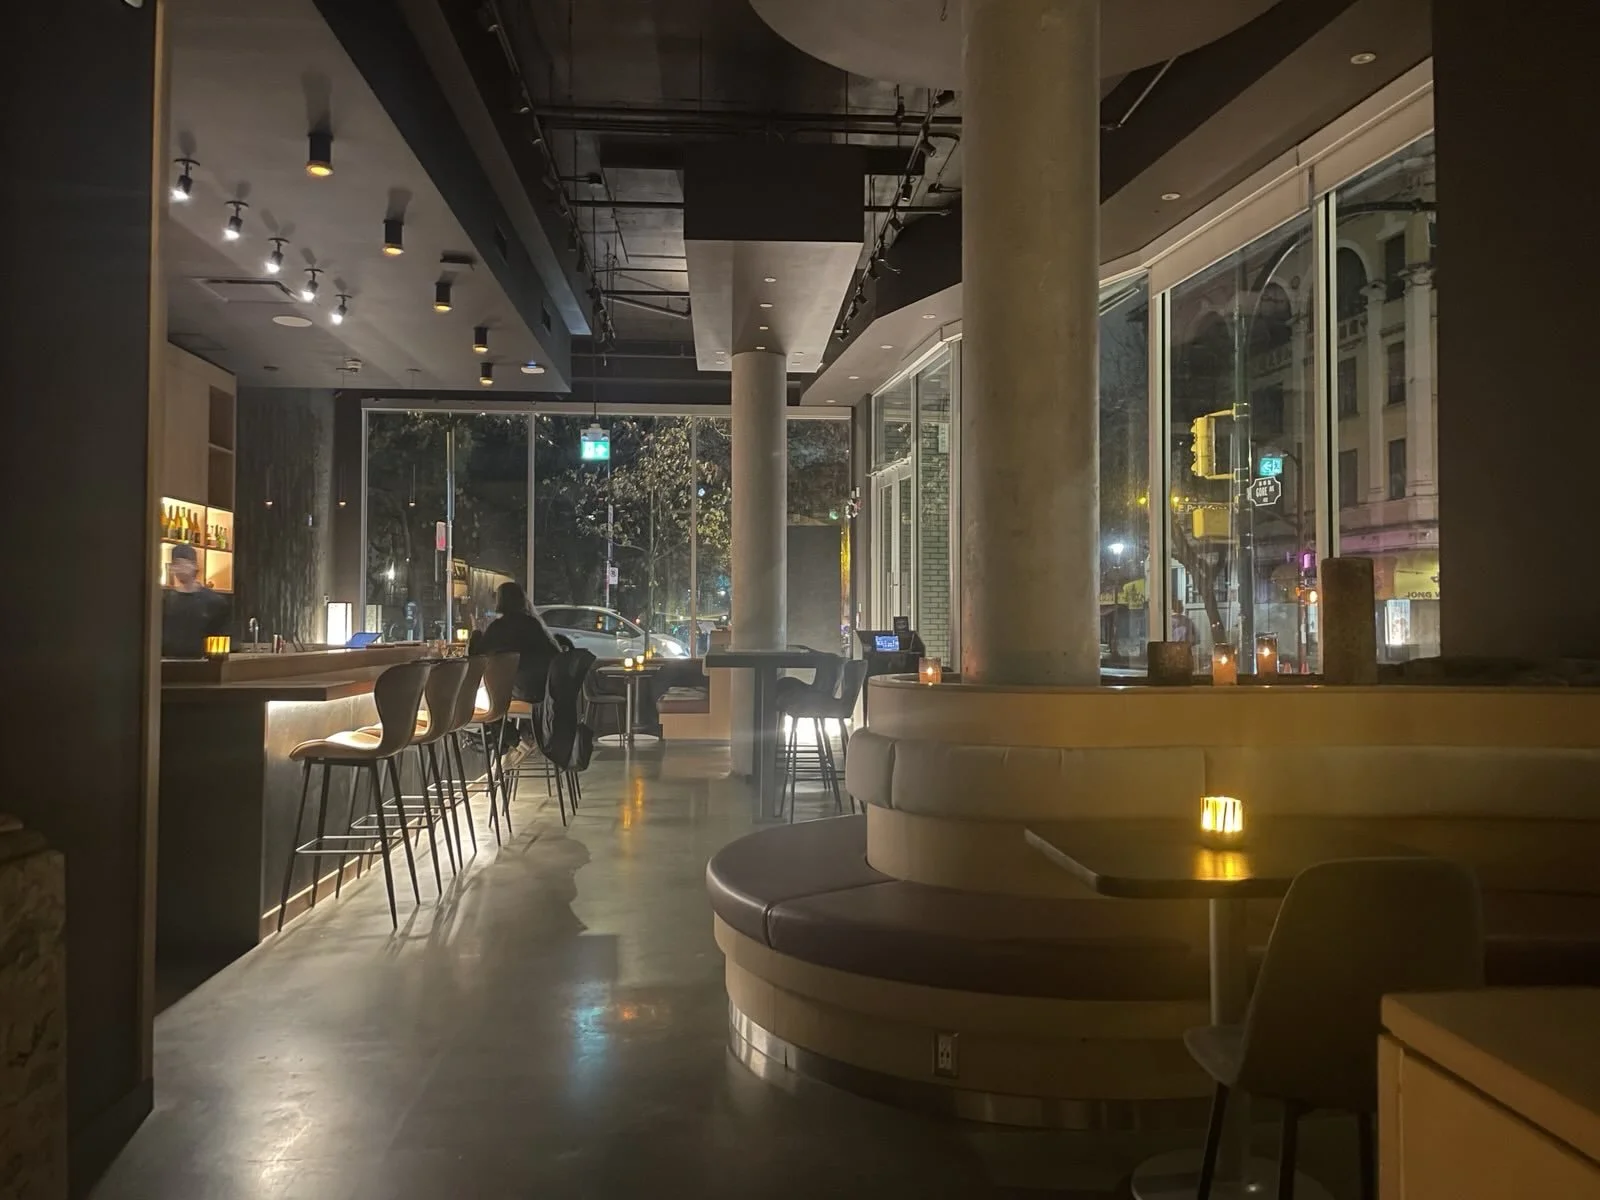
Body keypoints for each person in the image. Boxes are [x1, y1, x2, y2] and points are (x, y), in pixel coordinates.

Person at [468, 582, 561, 702]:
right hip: (546, 688)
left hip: (523, 690)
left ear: (500, 601)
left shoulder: (500, 626)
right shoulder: (532, 623)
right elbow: (555, 652)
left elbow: (476, 657)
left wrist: (476, 632)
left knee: (483, 693)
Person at [161, 544, 229, 658]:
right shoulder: (166, 601)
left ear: (195, 566)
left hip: (202, 663)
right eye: (176, 564)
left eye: (183, 563)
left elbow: (220, 638)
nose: (180, 568)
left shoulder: (214, 601)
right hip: (168, 662)